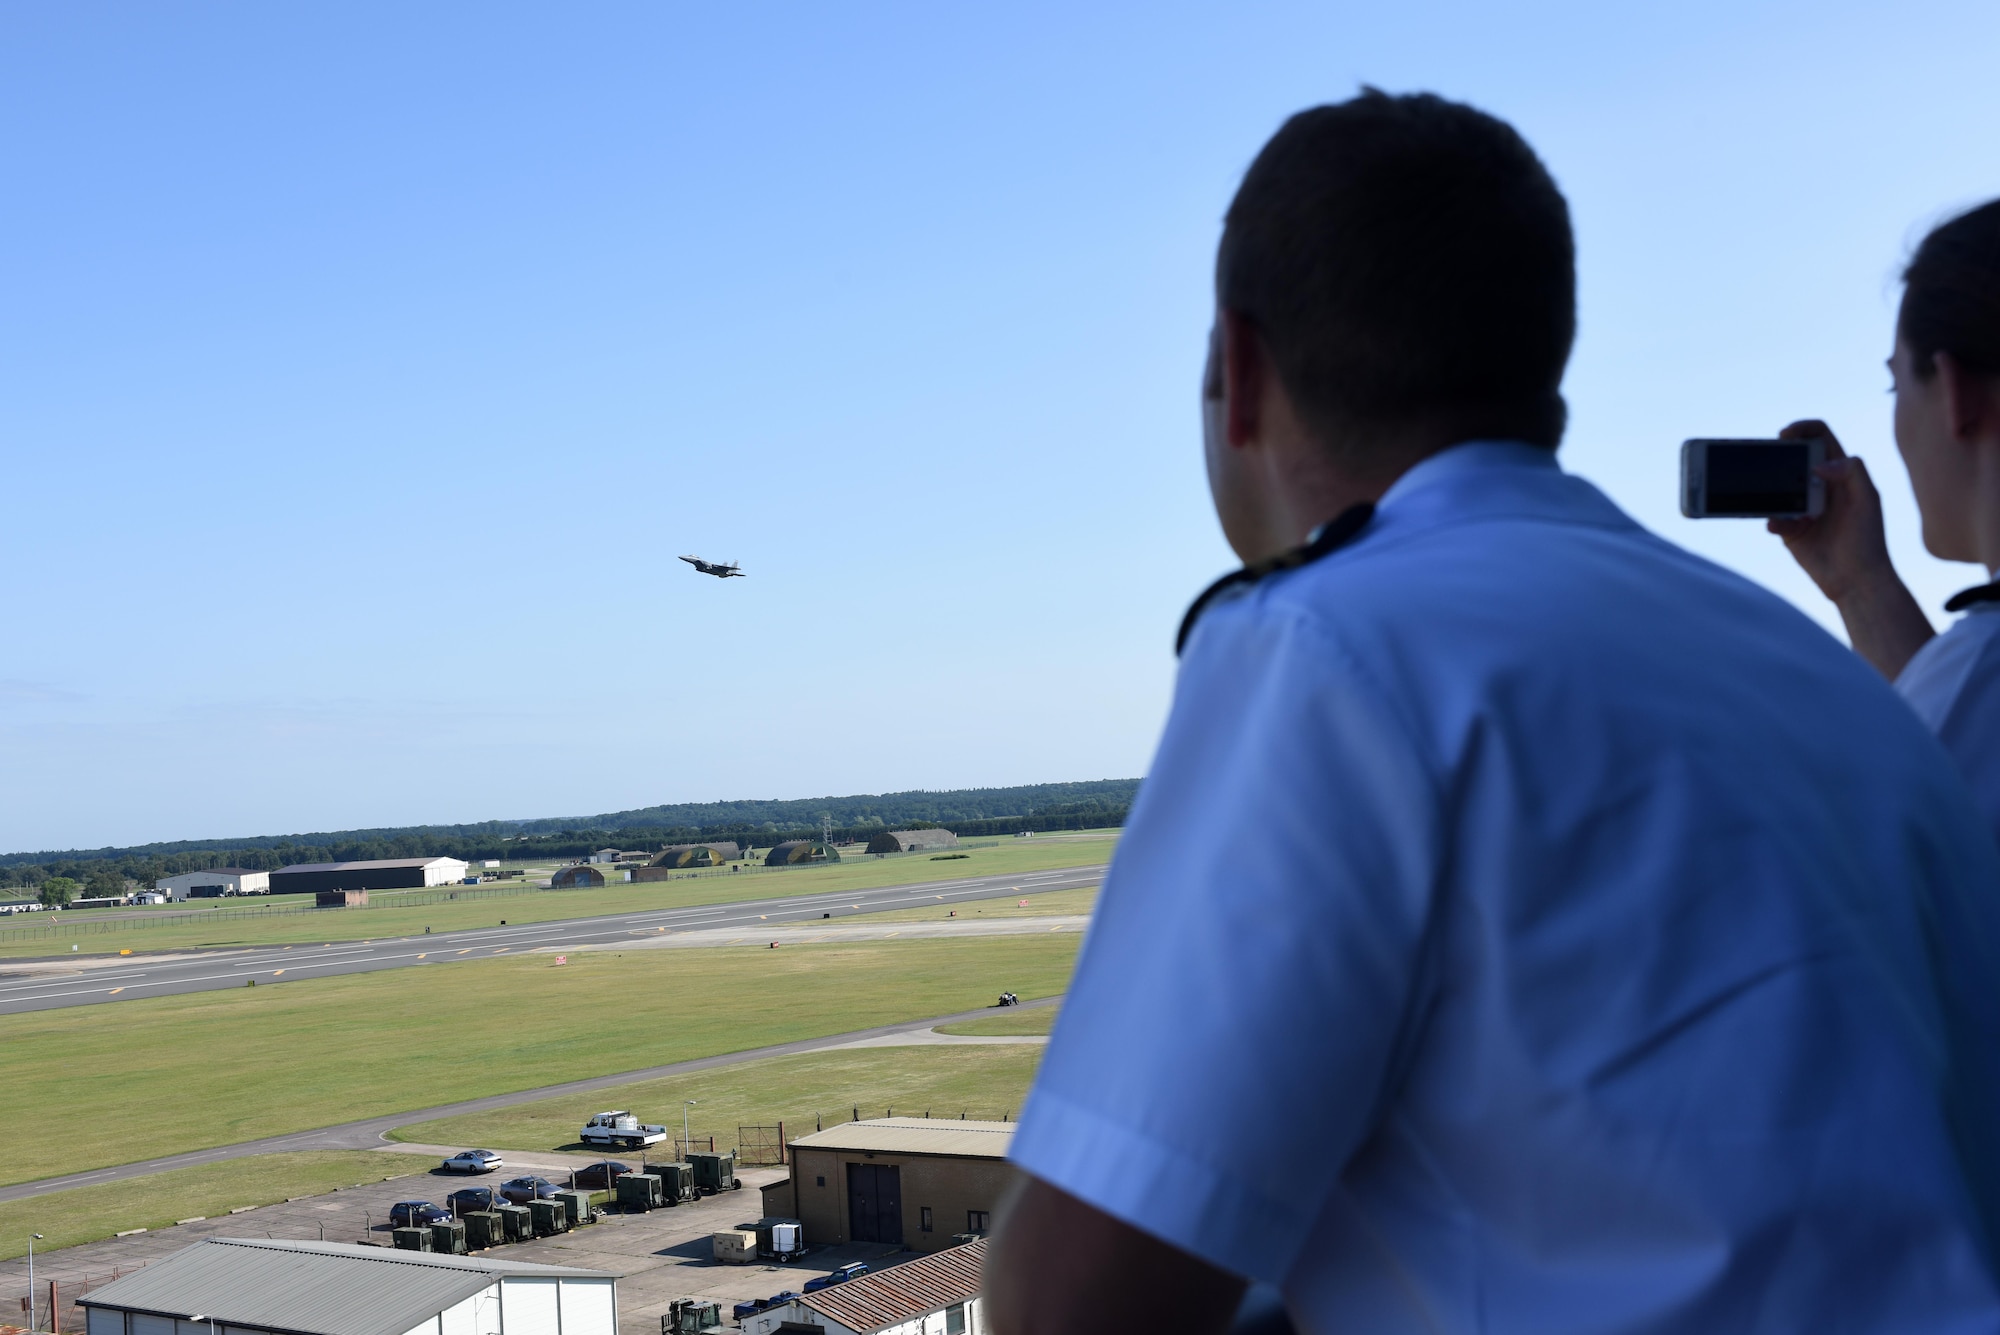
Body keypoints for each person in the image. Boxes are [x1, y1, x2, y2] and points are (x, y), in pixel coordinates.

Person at [985, 91, 2000, 1335]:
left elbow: (1070, 1306)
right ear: (1543, 371)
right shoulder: (1828, 683)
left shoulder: (1325, 644)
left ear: (1238, 375)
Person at [1769, 199, 2000, 846]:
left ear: (1955, 391)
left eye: (1896, 387)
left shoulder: (1979, 675)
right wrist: (1861, 583)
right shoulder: (1972, 687)